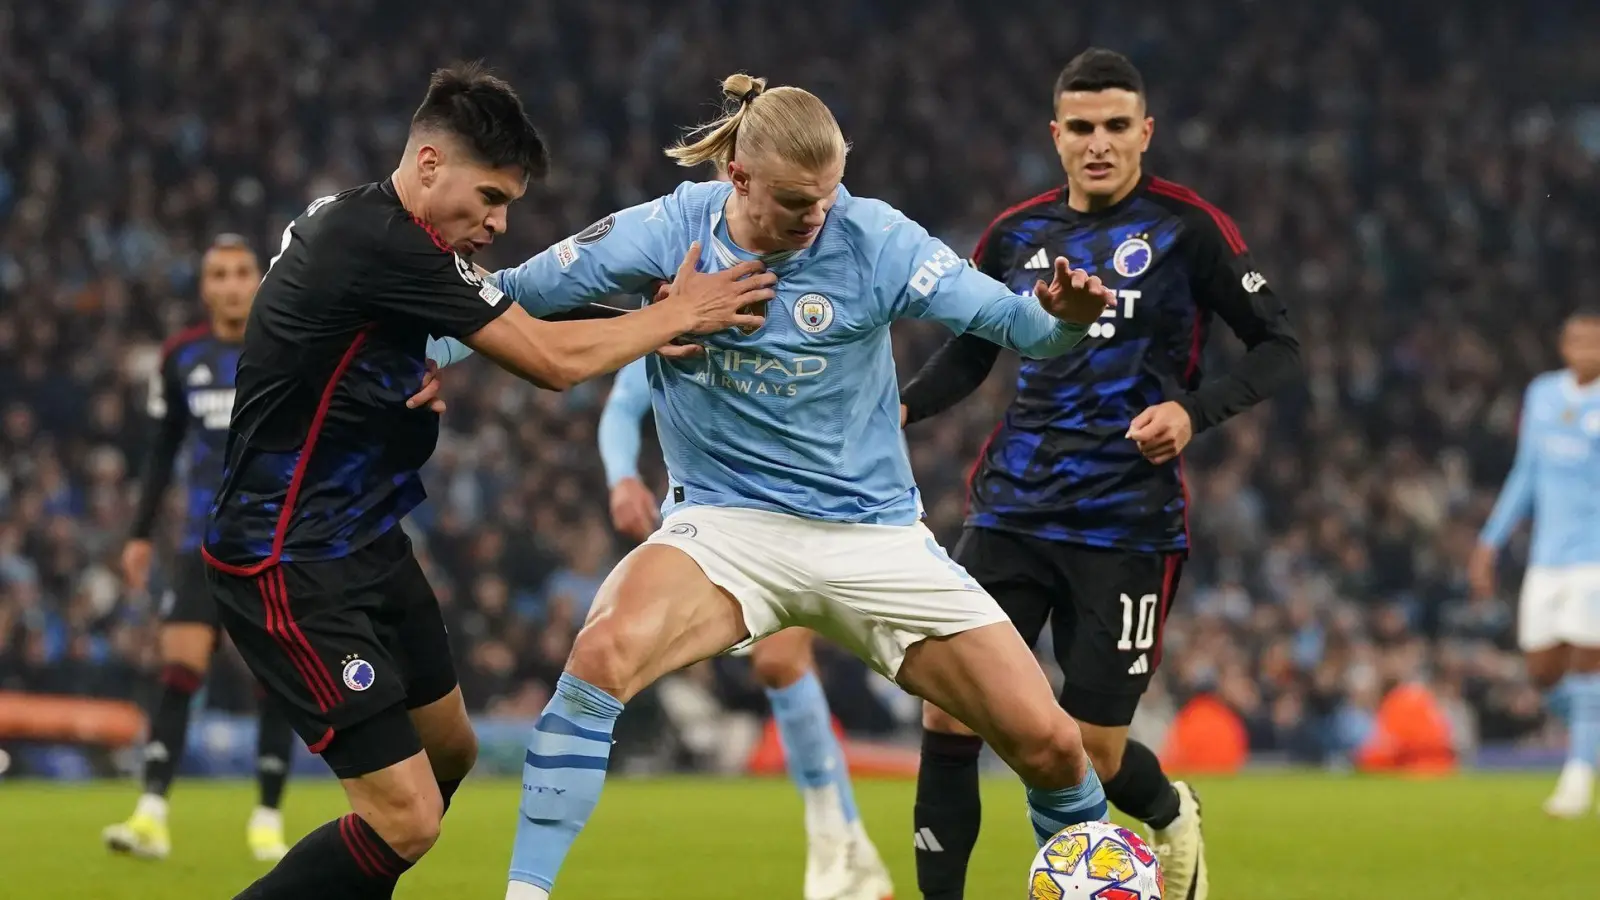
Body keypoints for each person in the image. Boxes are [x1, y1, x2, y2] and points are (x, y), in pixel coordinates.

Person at [428, 71, 1116, 900]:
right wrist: (430, 359)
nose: (818, 216)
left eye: (828, 195)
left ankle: (1099, 881)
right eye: (797, 202)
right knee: (601, 652)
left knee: (1050, 745)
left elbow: (1017, 326)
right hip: (725, 528)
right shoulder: (668, 230)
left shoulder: (874, 238)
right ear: (739, 178)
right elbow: (510, 298)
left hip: (872, 536)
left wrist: (1065, 318)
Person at [201, 62, 773, 900]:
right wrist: (674, 315)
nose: (500, 223)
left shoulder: (369, 226)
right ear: (430, 166)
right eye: (492, 198)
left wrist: (638, 324)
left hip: (362, 539)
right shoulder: (382, 241)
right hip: (287, 559)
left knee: (451, 755)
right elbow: (545, 362)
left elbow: (490, 318)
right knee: (407, 820)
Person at [900, 48, 1300, 900]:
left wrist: (1195, 411)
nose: (1099, 143)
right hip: (1010, 507)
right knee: (949, 709)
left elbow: (1280, 348)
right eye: (1081, 128)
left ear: (1145, 132)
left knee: (1090, 754)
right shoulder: (1015, 235)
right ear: (1056, 136)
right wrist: (896, 410)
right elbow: (974, 350)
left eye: (1117, 126)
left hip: (1126, 525)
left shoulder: (1190, 230)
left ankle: (1167, 806)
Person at [600, 356, 893, 900]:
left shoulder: (800, 325)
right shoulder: (684, 325)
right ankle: (845, 844)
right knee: (768, 663)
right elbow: (622, 403)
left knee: (780, 661)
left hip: (821, 510)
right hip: (722, 527)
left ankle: (840, 839)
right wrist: (622, 480)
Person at [103, 235, 294, 863]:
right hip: (200, 543)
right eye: (220, 274)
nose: (234, 284)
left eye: (242, 272)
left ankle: (267, 818)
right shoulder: (181, 356)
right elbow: (161, 450)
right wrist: (137, 533)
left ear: (257, 279)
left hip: (272, 542)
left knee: (274, 679)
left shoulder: (285, 345)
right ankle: (151, 814)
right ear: (205, 286)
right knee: (179, 670)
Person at [1472, 307, 1600, 818]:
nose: (1585, 347)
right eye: (1577, 339)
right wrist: (1489, 542)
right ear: (1563, 345)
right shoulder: (1543, 394)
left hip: (1594, 556)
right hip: (1547, 558)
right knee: (1542, 670)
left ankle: (1577, 780)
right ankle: (1589, 739)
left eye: (1594, 340)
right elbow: (1525, 474)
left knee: (1589, 663)